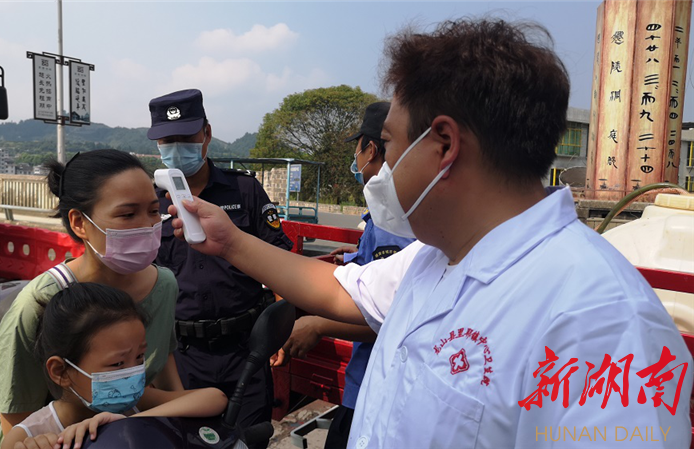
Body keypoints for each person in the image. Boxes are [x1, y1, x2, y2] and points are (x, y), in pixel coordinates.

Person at [168, 19, 693, 448]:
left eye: (391, 143)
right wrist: (229, 241)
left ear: (443, 144)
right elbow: (335, 290)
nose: (383, 163)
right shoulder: (433, 257)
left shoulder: (603, 324)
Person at [0, 150, 182, 449]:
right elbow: (16, 419)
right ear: (79, 222)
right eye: (128, 214)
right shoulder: (38, 302)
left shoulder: (164, 285)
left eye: (154, 211)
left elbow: (165, 369)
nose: (147, 225)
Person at [146, 88, 292, 442]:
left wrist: (282, 330)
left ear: (206, 134)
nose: (177, 149)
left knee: (248, 439)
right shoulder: (149, 203)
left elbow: (281, 261)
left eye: (186, 138)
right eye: (167, 141)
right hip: (180, 357)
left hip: (245, 350)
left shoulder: (244, 190)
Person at [269, 101, 415, 449]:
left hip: (373, 386)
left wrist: (319, 325)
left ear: (371, 149)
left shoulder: (392, 220)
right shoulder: (385, 216)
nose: (356, 158)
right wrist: (352, 258)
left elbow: (393, 313)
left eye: (357, 148)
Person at [2, 283, 227, 449]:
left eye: (139, 357)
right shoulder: (29, 437)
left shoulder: (136, 405)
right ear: (61, 371)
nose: (133, 372)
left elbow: (215, 398)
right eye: (118, 363)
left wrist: (125, 422)